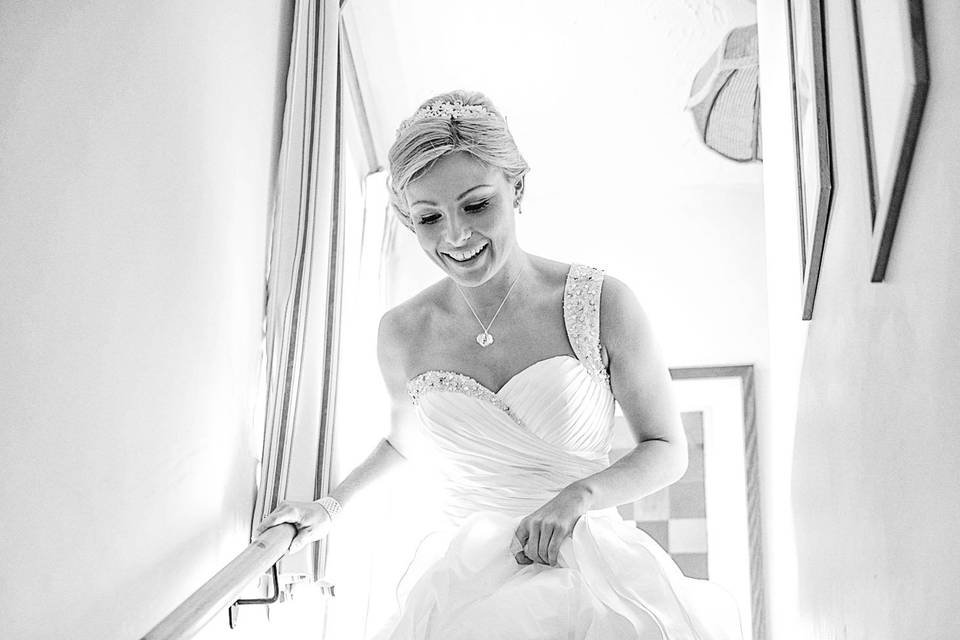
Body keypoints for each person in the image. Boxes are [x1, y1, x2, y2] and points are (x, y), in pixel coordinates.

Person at [257, 89, 743, 639]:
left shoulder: (602, 302)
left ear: (516, 187)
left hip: (591, 572)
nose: (455, 236)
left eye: (475, 205)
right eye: (428, 218)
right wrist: (329, 509)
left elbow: (666, 448)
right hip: (468, 584)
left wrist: (579, 496)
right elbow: (403, 442)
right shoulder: (402, 332)